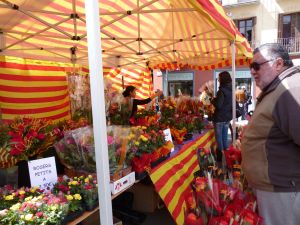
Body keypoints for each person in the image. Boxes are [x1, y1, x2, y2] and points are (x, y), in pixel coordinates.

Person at [241, 43, 299, 225]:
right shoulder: (280, 88)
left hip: (283, 191)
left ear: (278, 64)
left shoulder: (290, 89)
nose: (252, 71)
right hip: (277, 188)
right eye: (251, 66)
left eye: (256, 66)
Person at [211, 71, 233, 162]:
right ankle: (227, 157)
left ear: (222, 79)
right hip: (227, 117)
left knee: (219, 139)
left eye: (219, 78)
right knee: (224, 138)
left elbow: (219, 105)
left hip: (219, 118)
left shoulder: (221, 90)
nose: (218, 79)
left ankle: (220, 158)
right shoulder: (231, 90)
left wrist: (213, 100)